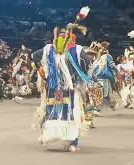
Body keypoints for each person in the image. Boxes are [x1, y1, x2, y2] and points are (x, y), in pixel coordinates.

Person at [35, 24, 92, 152]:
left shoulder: (72, 50)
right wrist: (43, 74)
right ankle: (64, 140)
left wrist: (43, 73)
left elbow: (35, 56)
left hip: (62, 87)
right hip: (59, 87)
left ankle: (69, 140)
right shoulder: (53, 49)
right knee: (59, 111)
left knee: (69, 112)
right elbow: (87, 62)